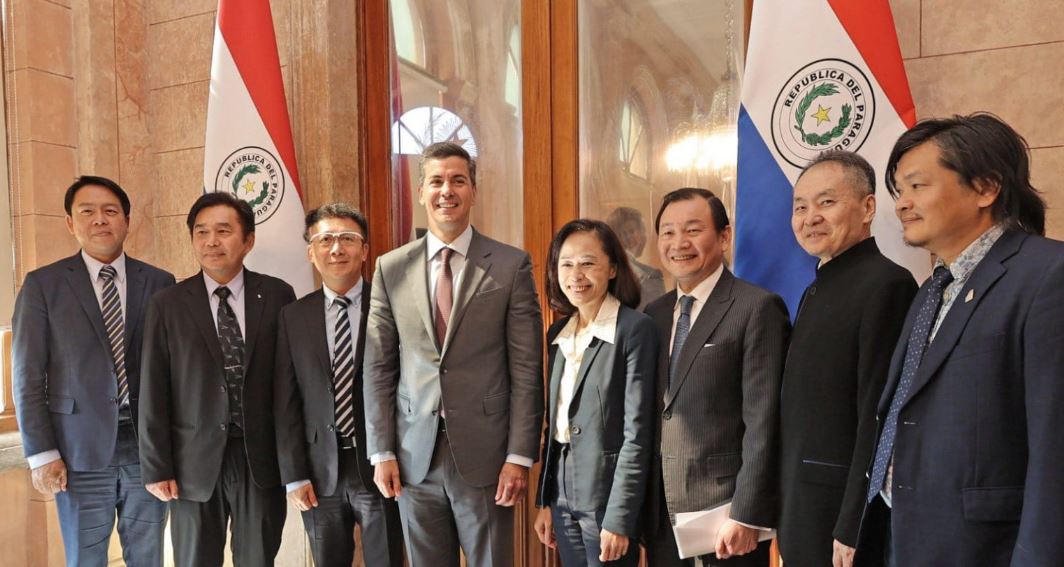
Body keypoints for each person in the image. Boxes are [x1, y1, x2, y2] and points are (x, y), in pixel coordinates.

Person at [854, 113, 1064, 567]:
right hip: (901, 536)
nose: (902, 204)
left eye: (917, 186)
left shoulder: (1047, 276)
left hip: (982, 548)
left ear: (986, 188)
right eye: (898, 191)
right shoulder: (933, 287)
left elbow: (1055, 448)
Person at [363, 141, 544, 566]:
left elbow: (526, 369)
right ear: (422, 191)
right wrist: (382, 451)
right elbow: (378, 368)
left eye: (458, 180)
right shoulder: (391, 268)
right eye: (437, 181)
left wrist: (519, 456)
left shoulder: (509, 265)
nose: (447, 190)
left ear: (473, 191)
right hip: (412, 457)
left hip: (487, 457)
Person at [12, 176, 174, 567]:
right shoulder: (43, 285)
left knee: (148, 557)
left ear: (127, 220)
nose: (100, 220)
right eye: (87, 211)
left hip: (146, 451)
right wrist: (41, 453)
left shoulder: (160, 283)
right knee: (85, 560)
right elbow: (27, 376)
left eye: (110, 211)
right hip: (77, 452)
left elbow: (173, 372)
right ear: (70, 222)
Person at [139, 192, 295, 567]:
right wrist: (157, 466)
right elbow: (153, 389)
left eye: (224, 231)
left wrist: (294, 464)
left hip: (259, 461)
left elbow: (289, 387)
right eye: (201, 232)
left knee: (258, 559)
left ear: (248, 240)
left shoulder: (277, 295)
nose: (211, 241)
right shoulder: (168, 304)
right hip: (192, 463)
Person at [777, 151, 917, 567]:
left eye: (826, 202)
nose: (810, 217)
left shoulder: (887, 284)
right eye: (800, 207)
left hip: (841, 514)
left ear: (868, 207)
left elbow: (879, 413)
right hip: (801, 505)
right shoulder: (816, 287)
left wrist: (854, 521)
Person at [642, 188, 790, 567]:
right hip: (662, 515)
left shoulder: (756, 307)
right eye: (668, 232)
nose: (679, 243)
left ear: (724, 237)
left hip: (724, 516)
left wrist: (746, 514)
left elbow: (764, 419)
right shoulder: (654, 314)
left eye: (693, 230)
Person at [274, 203, 404, 567]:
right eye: (325, 239)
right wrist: (294, 474)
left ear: (364, 250)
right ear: (310, 252)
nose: (336, 248)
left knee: (388, 560)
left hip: (382, 464)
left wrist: (393, 452)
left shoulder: (391, 306)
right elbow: (285, 402)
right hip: (318, 472)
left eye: (348, 239)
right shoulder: (293, 317)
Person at [532, 219, 657, 566]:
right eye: (566, 264)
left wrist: (619, 518)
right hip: (562, 488)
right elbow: (553, 423)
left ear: (613, 268)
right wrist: (546, 501)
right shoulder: (558, 333)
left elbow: (637, 434)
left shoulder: (634, 329)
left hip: (606, 493)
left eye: (588, 263)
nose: (576, 274)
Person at [607, 206, 666, 308]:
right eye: (642, 230)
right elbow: (656, 319)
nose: (645, 236)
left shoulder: (603, 270)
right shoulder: (650, 276)